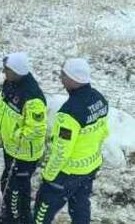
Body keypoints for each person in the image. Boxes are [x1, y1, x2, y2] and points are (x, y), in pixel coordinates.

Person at [31, 59, 110, 224]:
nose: (61, 78)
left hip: (66, 173)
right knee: (80, 207)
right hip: (90, 167)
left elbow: (61, 152)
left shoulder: (68, 114)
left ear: (73, 79)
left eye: (63, 74)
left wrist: (49, 177)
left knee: (42, 213)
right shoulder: (99, 99)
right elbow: (103, 132)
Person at [0, 52, 47, 224]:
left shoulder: (33, 97)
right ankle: (9, 213)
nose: (4, 72)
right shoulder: (10, 83)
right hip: (10, 147)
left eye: (6, 69)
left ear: (17, 71)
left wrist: (14, 136)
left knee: (17, 190)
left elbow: (36, 129)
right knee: (7, 182)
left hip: (23, 153)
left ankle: (19, 218)